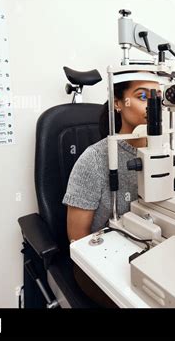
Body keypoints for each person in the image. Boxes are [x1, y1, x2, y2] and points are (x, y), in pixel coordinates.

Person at [62, 77, 160, 307]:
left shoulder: (161, 153)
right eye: (143, 96)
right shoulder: (94, 159)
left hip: (146, 250)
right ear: (118, 103)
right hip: (98, 265)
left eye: (158, 97)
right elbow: (78, 239)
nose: (154, 106)